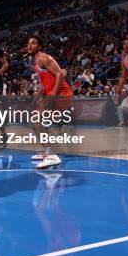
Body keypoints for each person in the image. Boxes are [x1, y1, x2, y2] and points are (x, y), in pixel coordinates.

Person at [26, 35, 73, 169]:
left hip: (61, 94)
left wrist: (52, 95)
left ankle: (51, 155)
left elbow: (59, 74)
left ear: (39, 46)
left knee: (36, 121)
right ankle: (47, 151)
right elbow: (44, 83)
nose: (30, 45)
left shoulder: (43, 58)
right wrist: (36, 98)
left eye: (34, 43)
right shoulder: (36, 62)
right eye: (28, 43)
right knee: (34, 121)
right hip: (51, 94)